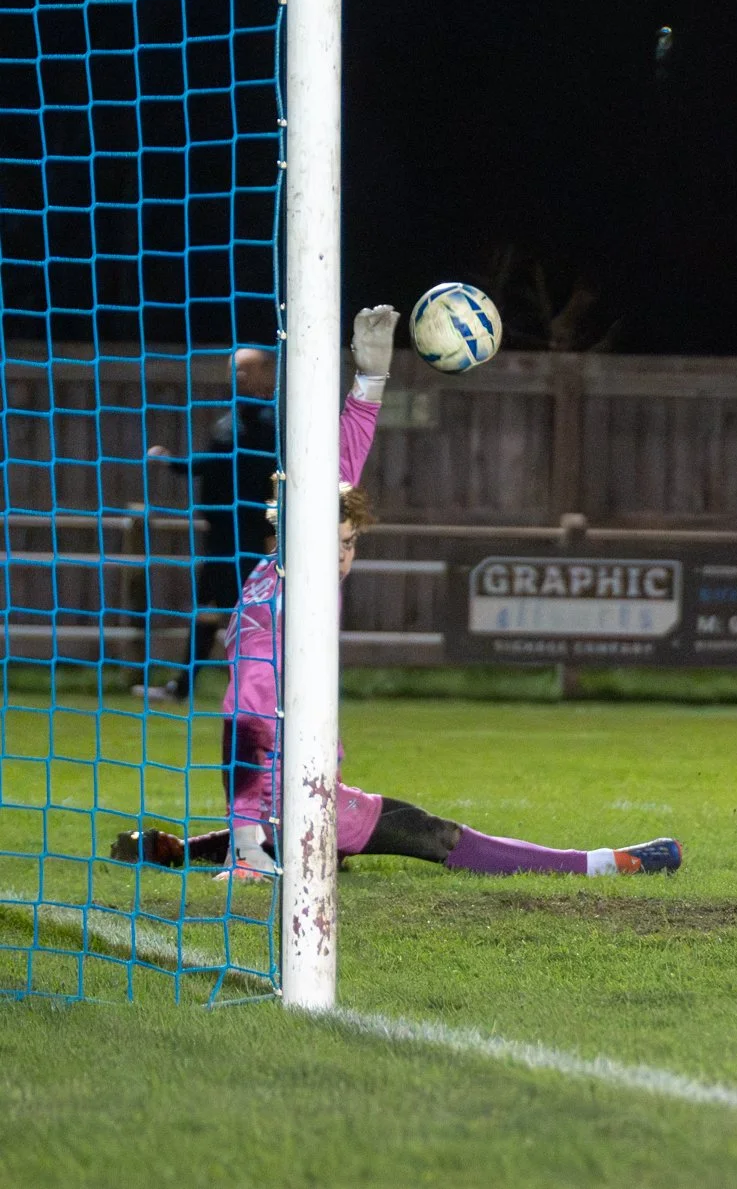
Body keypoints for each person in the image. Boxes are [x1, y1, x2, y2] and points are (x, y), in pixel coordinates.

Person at [115, 307, 680, 881]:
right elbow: (244, 723)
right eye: (331, 541)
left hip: (300, 794)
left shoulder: (280, 568)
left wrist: (372, 378)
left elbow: (339, 474)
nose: (341, 554)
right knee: (433, 834)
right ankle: (608, 863)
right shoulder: (279, 606)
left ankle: (184, 851)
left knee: (321, 843)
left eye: (351, 541)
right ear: (290, 535)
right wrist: (246, 849)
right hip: (302, 796)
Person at [137, 346, 277, 701]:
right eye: (234, 370)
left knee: (241, 615)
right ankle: (184, 687)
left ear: (266, 373)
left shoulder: (267, 421)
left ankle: (253, 689)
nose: (238, 376)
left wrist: (176, 463)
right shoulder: (238, 416)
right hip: (222, 535)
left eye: (245, 370)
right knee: (211, 611)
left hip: (246, 537)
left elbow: (223, 462)